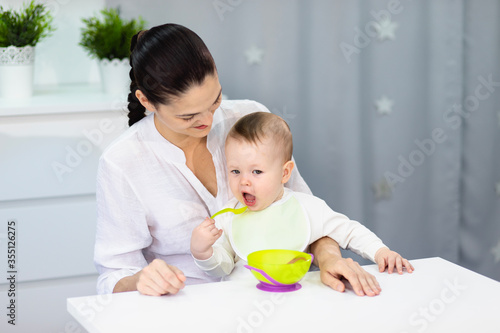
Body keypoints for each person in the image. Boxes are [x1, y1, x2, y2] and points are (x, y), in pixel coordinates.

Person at [94, 23, 384, 297]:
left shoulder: (249, 119)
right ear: (146, 101)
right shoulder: (123, 163)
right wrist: (139, 280)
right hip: (185, 306)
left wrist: (329, 256)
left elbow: (303, 211)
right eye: (188, 116)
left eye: (215, 100)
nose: (208, 121)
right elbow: (113, 275)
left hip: (273, 297)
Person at [190, 112, 414, 284]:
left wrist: (380, 251)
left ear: (285, 173)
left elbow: (348, 231)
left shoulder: (307, 207)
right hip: (243, 309)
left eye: (256, 172)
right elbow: (222, 268)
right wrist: (203, 252)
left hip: (299, 305)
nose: (244, 181)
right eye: (235, 171)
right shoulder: (227, 217)